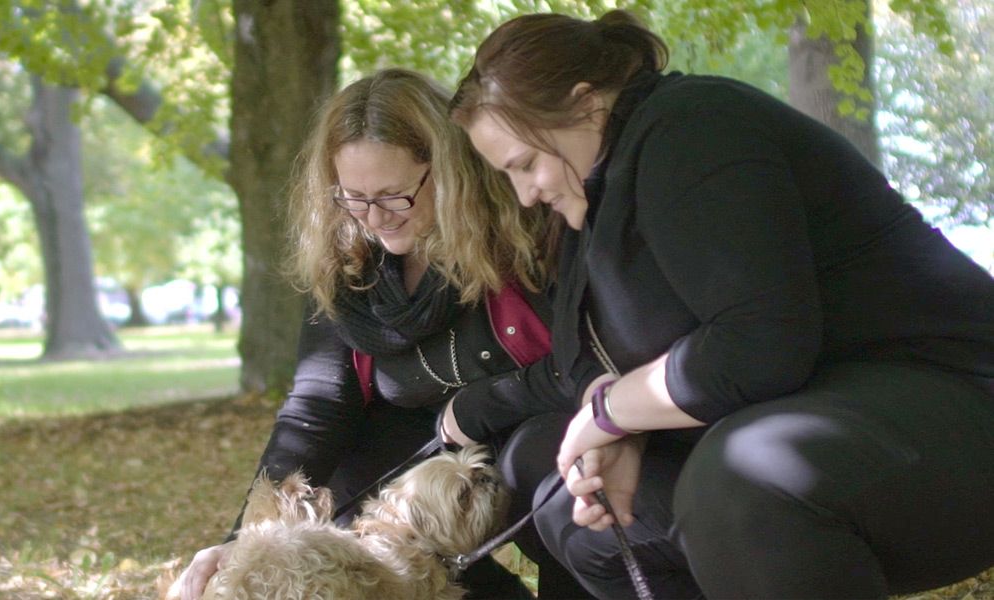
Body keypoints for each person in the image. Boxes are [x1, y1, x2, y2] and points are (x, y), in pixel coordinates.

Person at [448, 9, 994, 600]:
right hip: (822, 411)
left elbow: (759, 348)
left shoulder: (692, 128)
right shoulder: (595, 195)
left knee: (740, 477)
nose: (525, 193)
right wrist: (624, 432)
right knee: (580, 517)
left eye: (525, 164)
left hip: (950, 397)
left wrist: (611, 412)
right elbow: (586, 364)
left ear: (586, 104)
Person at [171, 68, 592, 600]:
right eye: (352, 196)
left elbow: (583, 364)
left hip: (533, 425)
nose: (374, 217)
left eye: (394, 196)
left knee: (542, 466)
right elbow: (317, 408)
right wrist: (243, 539)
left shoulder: (522, 230)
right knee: (352, 485)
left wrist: (479, 408)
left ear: (448, 169)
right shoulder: (349, 258)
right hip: (422, 448)